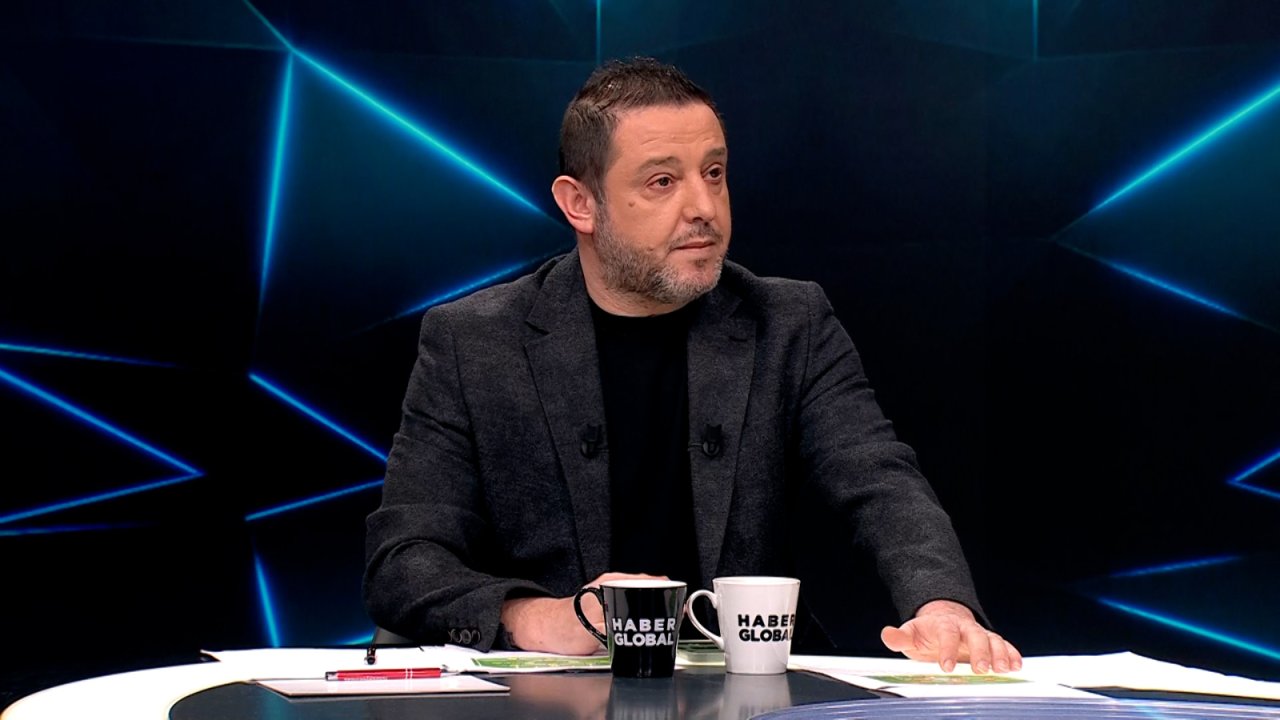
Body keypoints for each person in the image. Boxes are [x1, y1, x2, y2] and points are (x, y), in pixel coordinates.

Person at [364, 57, 1021, 674]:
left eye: (713, 173)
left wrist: (943, 606)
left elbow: (880, 483)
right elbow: (404, 559)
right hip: (549, 693)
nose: (704, 208)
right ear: (580, 203)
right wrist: (540, 619)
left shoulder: (788, 322)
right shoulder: (473, 341)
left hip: (747, 691)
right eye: (662, 182)